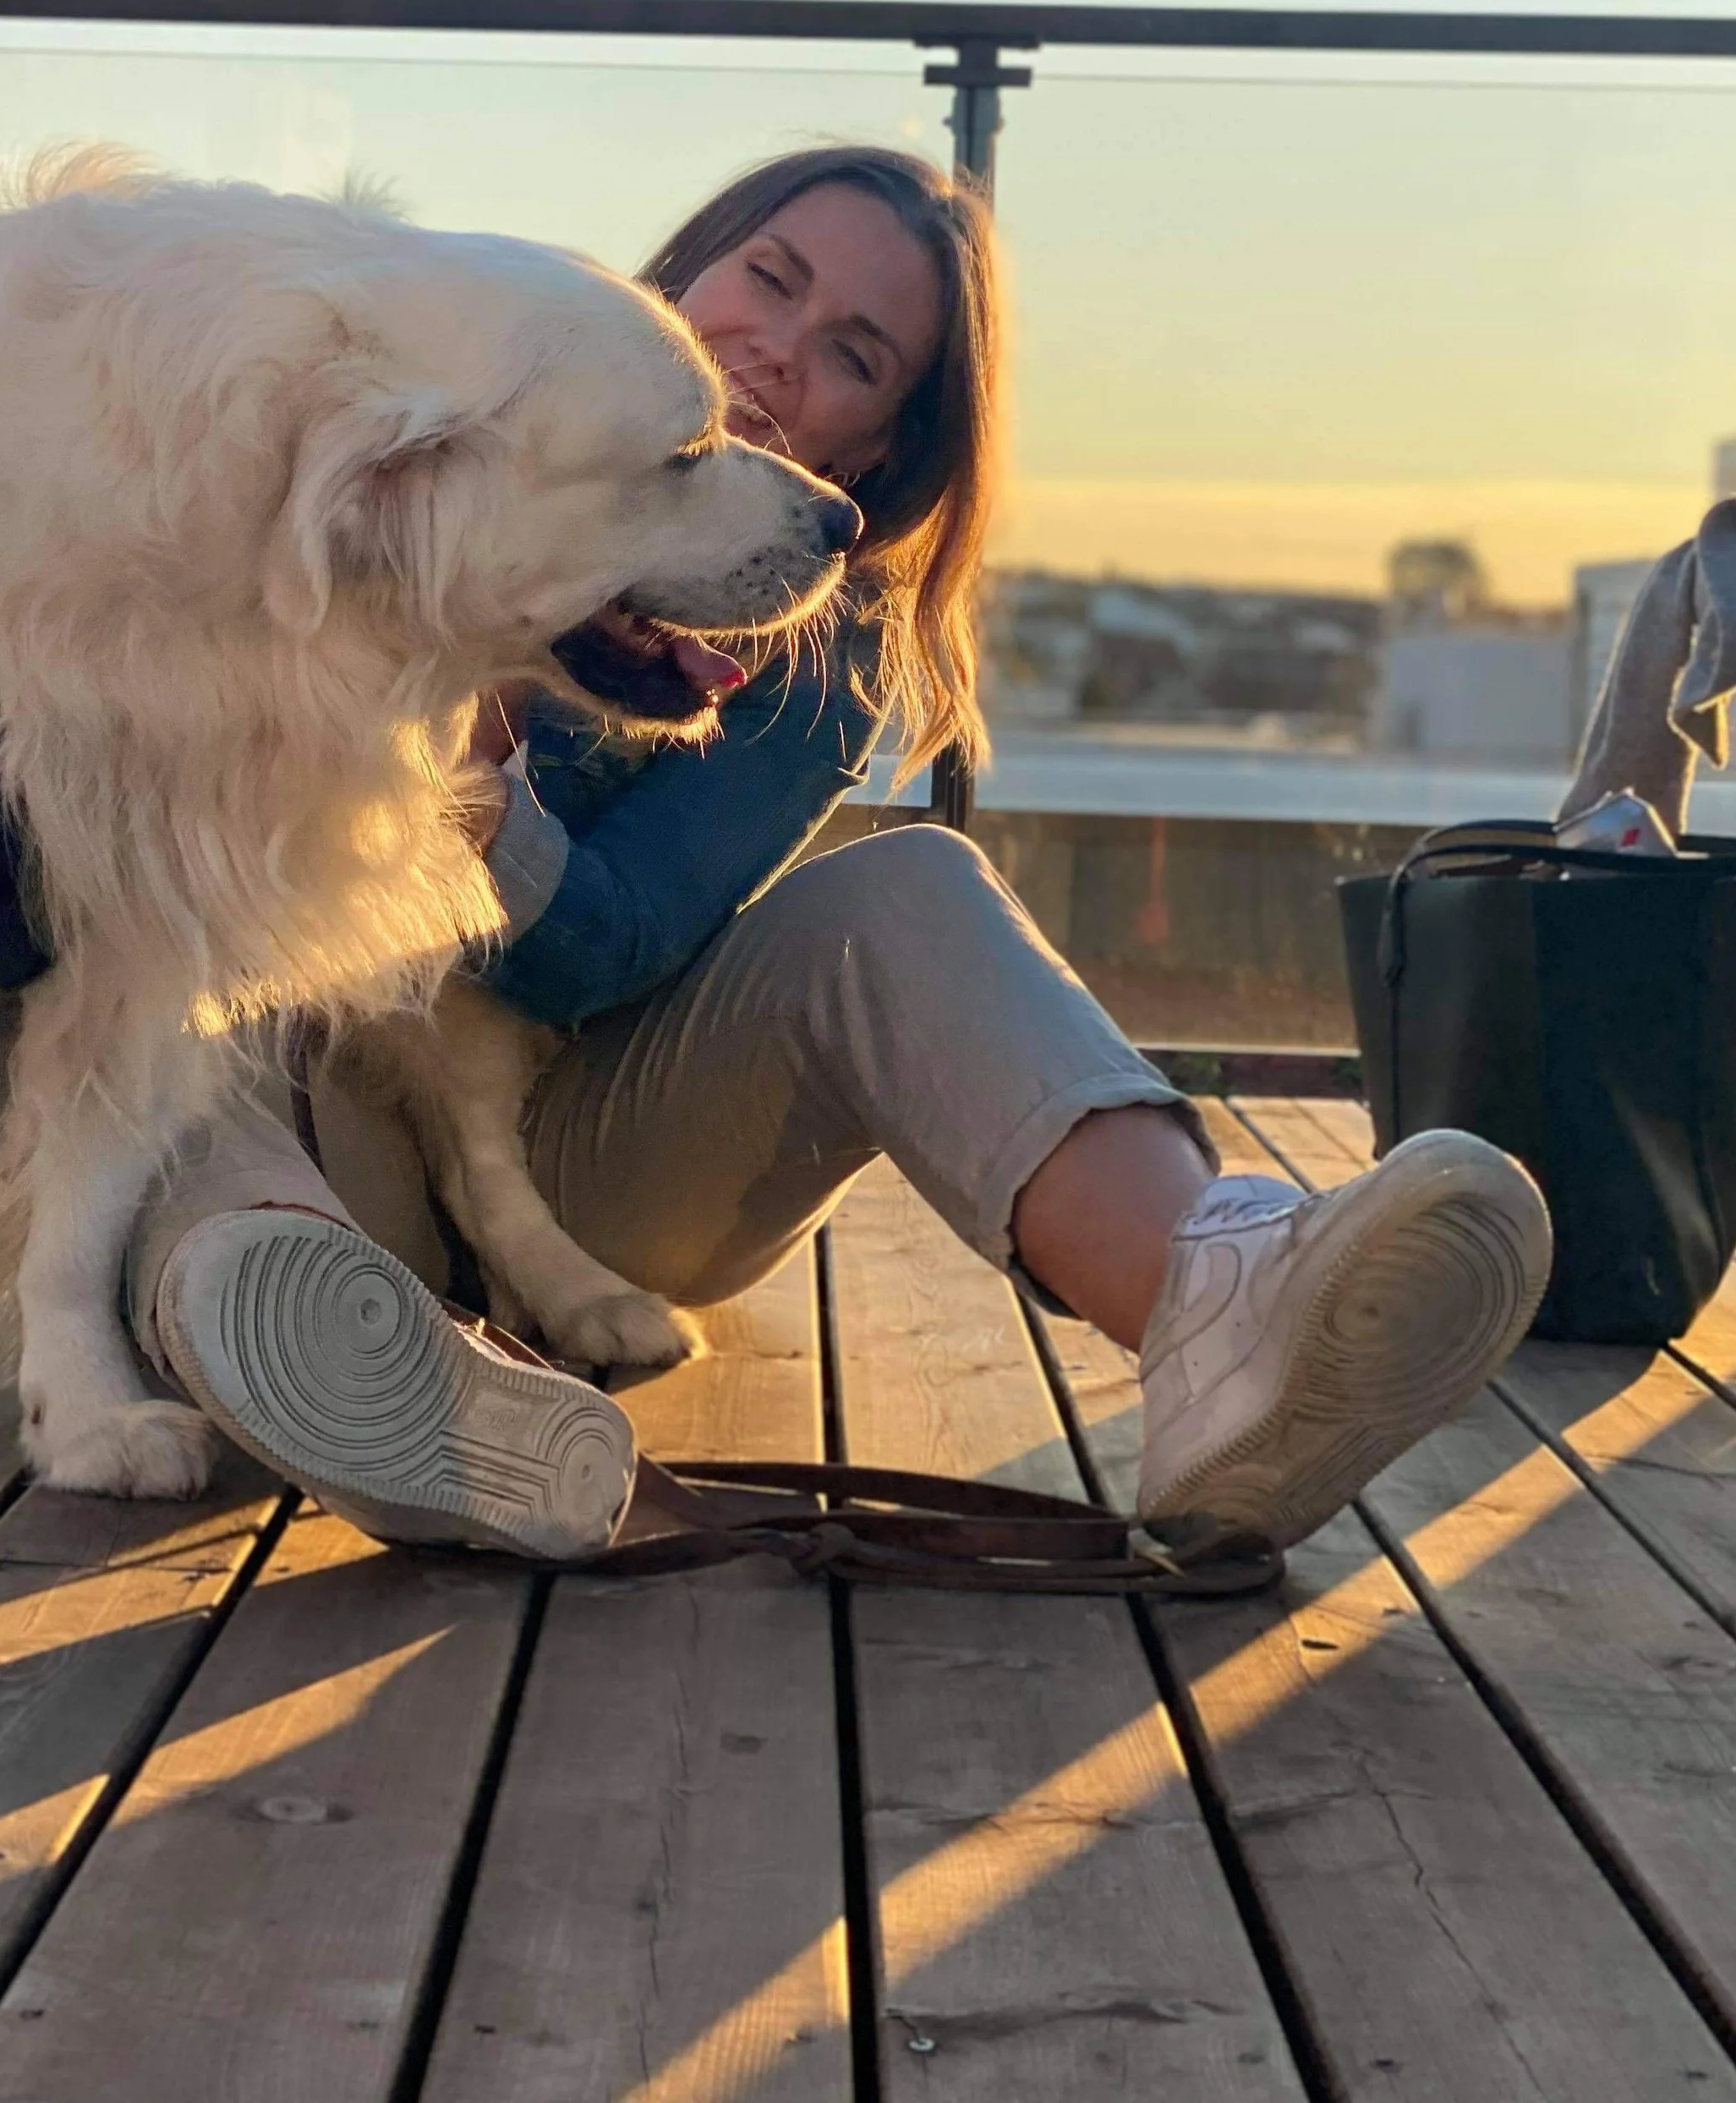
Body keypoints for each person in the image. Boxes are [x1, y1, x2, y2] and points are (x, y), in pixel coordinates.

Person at [120, 143, 1552, 1561]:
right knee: (162, 998)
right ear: (682, 270)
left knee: (911, 882)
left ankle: (1224, 1308)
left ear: (874, 450)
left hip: (598, 1168)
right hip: (306, 1124)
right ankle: (364, 1369)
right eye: (770, 279)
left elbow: (604, 953)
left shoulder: (822, 649)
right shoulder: (425, 440)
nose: (780, 351)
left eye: (854, 356)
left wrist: (464, 756)